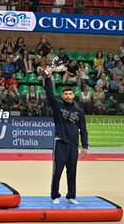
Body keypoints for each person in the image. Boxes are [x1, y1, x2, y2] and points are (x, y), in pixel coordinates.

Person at [44, 68, 88, 205]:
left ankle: (71, 196)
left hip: (73, 146)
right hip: (60, 144)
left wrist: (85, 146)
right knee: (57, 172)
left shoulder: (79, 112)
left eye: (70, 94)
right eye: (66, 94)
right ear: (62, 96)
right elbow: (50, 95)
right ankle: (55, 195)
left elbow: (83, 130)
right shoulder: (57, 107)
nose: (68, 96)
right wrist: (48, 79)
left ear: (73, 95)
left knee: (72, 172)